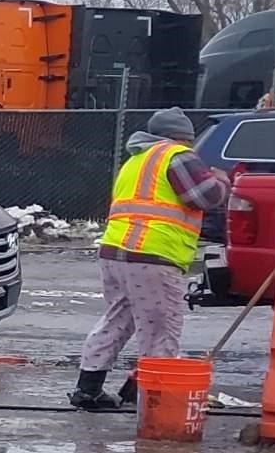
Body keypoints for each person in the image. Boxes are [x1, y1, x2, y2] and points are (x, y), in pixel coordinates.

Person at [72, 106, 228, 411]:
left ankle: (88, 389)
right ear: (183, 137)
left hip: (116, 252)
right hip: (153, 256)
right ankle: (158, 402)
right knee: (161, 330)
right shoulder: (177, 155)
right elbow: (205, 196)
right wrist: (221, 180)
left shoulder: (136, 160)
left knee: (117, 320)